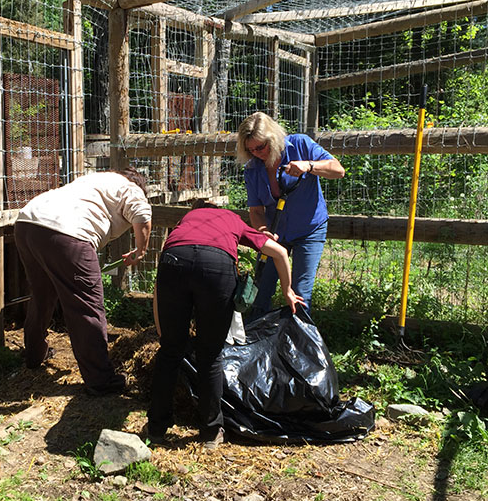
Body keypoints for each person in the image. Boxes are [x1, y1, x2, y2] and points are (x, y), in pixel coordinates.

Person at [147, 200, 303, 449]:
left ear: (194, 211)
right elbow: (281, 252)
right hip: (216, 267)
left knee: (170, 353)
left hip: (173, 262)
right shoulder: (231, 219)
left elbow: (159, 283)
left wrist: (162, 330)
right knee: (210, 354)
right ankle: (210, 431)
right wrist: (287, 291)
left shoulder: (184, 222)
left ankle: (156, 429)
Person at [13, 167, 152, 396]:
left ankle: (34, 354)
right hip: (67, 235)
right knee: (87, 306)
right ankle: (101, 380)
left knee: (42, 295)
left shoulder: (95, 180)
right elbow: (142, 216)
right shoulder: (131, 188)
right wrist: (141, 250)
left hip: (28, 223)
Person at [237, 112, 345, 317]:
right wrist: (262, 231)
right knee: (260, 289)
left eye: (260, 147)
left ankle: (298, 340)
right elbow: (256, 210)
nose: (257, 153)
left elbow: (338, 170)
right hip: (275, 233)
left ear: (273, 138)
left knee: (300, 293)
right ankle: (256, 338)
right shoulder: (251, 168)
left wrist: (309, 166)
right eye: (250, 150)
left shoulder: (301, 145)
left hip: (309, 228)